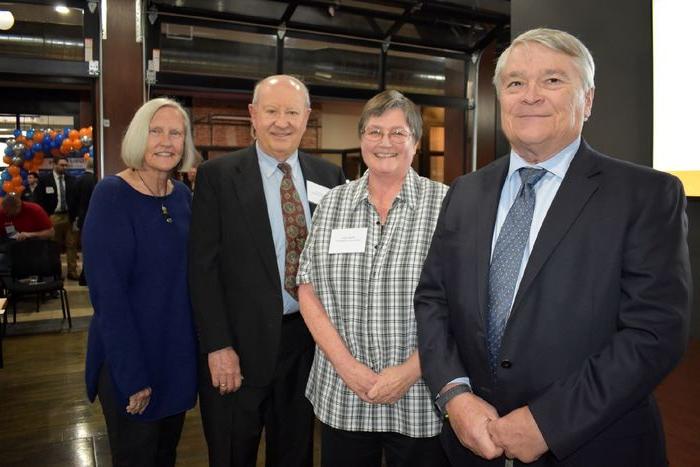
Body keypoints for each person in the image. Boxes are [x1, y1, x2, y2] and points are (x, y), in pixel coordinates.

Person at [414, 28, 691, 467]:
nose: (530, 96)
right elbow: (433, 300)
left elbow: (654, 332)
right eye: (516, 83)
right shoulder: (465, 192)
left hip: (592, 446)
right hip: (469, 445)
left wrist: (549, 421)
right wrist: (454, 395)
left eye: (553, 80)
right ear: (500, 98)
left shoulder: (646, 195)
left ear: (589, 100)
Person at [189, 74, 346, 467]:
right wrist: (218, 345)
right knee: (231, 453)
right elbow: (202, 269)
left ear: (306, 118)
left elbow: (341, 261)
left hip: (307, 346)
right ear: (252, 116)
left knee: (295, 453)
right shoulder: (218, 176)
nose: (282, 121)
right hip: (238, 348)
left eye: (292, 111)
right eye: (271, 111)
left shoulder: (331, 178)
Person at [296, 90, 449, 467]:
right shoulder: (333, 203)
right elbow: (307, 287)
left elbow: (464, 303)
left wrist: (411, 370)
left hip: (420, 395)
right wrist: (347, 367)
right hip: (344, 391)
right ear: (361, 137)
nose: (385, 143)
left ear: (415, 141)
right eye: (375, 131)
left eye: (398, 133)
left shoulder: (447, 205)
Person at [82, 97, 199, 466]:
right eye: (156, 132)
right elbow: (108, 296)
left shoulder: (182, 196)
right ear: (138, 137)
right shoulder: (111, 195)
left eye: (175, 133)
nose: (166, 142)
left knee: (166, 456)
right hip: (130, 362)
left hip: (175, 359)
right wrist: (131, 376)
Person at [37, 156, 79, 279]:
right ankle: (56, 272)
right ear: (54, 165)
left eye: (66, 165)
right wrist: (45, 216)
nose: (64, 167)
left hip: (69, 216)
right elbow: (39, 199)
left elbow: (75, 198)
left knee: (72, 245)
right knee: (54, 246)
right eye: (61, 165)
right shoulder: (45, 180)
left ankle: (72, 271)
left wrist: (75, 215)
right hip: (53, 216)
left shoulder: (72, 179)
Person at [74, 158, 97, 285]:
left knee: (85, 248)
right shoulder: (98, 180)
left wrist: (74, 218)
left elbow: (74, 200)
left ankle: (84, 275)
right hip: (96, 218)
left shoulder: (79, 180)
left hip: (83, 218)